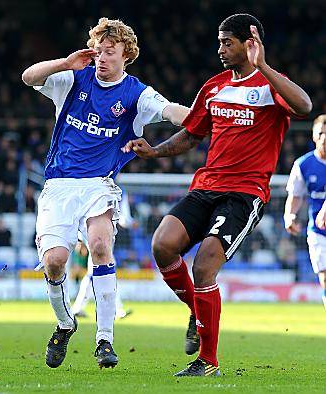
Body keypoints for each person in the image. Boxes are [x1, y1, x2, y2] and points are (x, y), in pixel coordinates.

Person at [123, 14, 312, 376]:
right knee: (163, 244)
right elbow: (192, 134)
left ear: (249, 43)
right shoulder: (214, 86)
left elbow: (304, 106)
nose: (220, 49)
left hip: (244, 194)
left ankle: (207, 362)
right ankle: (197, 310)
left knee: (205, 265)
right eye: (220, 41)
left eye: (228, 42)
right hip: (206, 186)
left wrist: (265, 66)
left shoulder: (271, 86)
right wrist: (154, 151)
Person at [22, 17, 189, 369]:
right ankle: (65, 324)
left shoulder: (136, 93)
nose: (101, 58)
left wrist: (208, 118)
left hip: (99, 184)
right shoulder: (72, 79)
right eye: (98, 51)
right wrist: (66, 62)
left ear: (126, 54)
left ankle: (105, 340)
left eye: (109, 52)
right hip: (58, 186)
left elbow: (173, 112)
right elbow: (29, 77)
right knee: (54, 262)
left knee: (100, 246)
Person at [72, 190, 134, 319]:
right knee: (107, 270)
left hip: (94, 235)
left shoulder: (94, 187)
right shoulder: (118, 191)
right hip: (102, 236)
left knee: (92, 273)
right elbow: (125, 220)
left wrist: (80, 238)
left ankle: (78, 307)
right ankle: (117, 309)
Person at [284, 114, 326, 308]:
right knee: (324, 277)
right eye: (321, 133)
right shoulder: (303, 165)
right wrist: (290, 216)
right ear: (314, 136)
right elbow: (296, 195)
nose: (325, 138)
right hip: (318, 231)